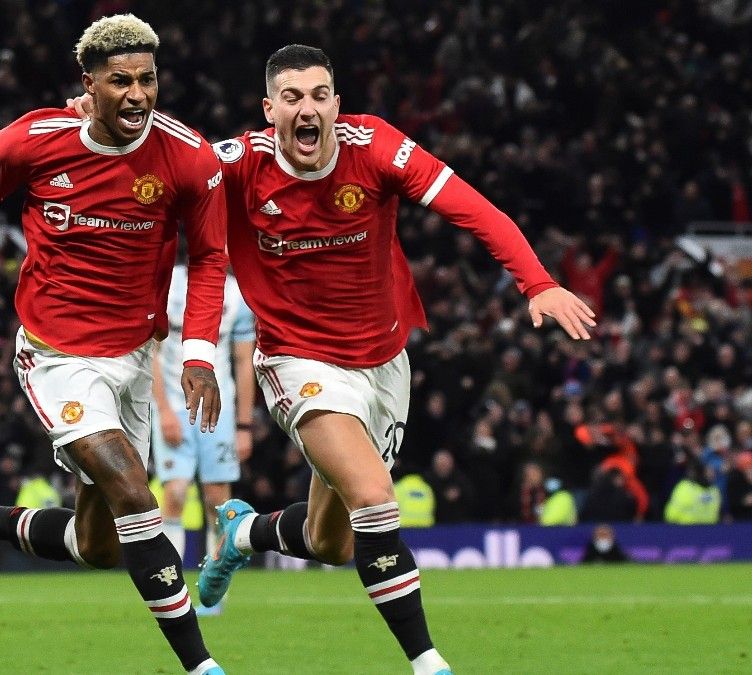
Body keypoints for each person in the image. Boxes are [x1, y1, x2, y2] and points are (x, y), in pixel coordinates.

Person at [198, 45, 595, 675]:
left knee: (333, 542)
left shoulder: (376, 148)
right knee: (377, 498)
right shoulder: (237, 165)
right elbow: (155, 168)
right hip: (297, 361)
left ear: (336, 103)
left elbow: (476, 209)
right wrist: (94, 122)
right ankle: (429, 662)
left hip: (383, 363)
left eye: (320, 95)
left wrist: (537, 282)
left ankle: (244, 534)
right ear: (269, 109)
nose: (308, 109)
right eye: (292, 97)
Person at [0, 15, 228, 675]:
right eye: (121, 81)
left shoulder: (189, 158)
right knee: (136, 494)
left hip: (135, 357)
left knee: (101, 545)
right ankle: (202, 665)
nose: (138, 94)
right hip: (55, 354)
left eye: (148, 78)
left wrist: (199, 353)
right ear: (89, 85)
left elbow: (209, 257)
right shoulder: (36, 139)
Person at [150, 257, 255, 614]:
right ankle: (171, 590)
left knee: (217, 503)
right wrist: (162, 410)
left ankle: (214, 590)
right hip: (174, 407)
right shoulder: (169, 284)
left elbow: (244, 361)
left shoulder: (237, 294)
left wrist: (244, 425)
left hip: (218, 409)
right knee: (175, 493)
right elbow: (154, 351)